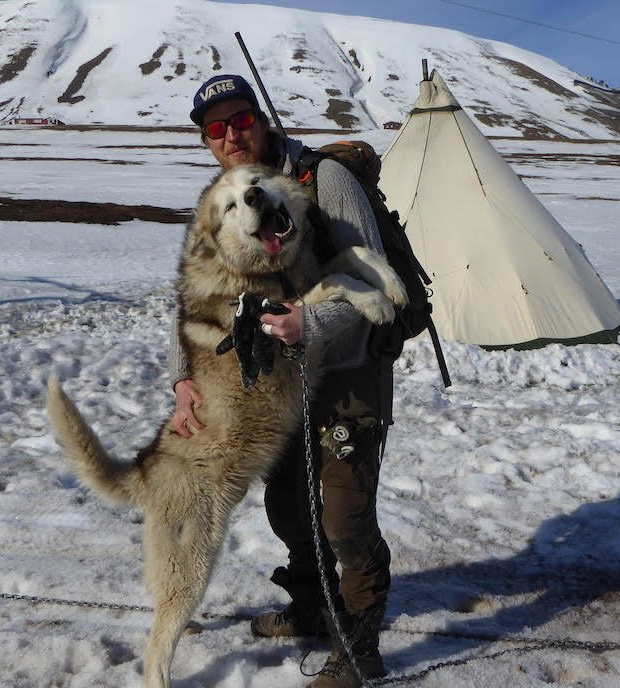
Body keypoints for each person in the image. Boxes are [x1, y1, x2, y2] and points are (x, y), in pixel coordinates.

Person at [167, 74, 393, 688]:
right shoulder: (225, 198)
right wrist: (184, 380)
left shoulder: (326, 179)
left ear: (261, 119)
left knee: (343, 513)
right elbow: (197, 297)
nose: (230, 135)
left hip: (348, 370)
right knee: (290, 506)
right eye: (215, 129)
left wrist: (309, 322)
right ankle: (314, 608)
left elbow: (374, 284)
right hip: (277, 383)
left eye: (240, 119)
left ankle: (359, 643)